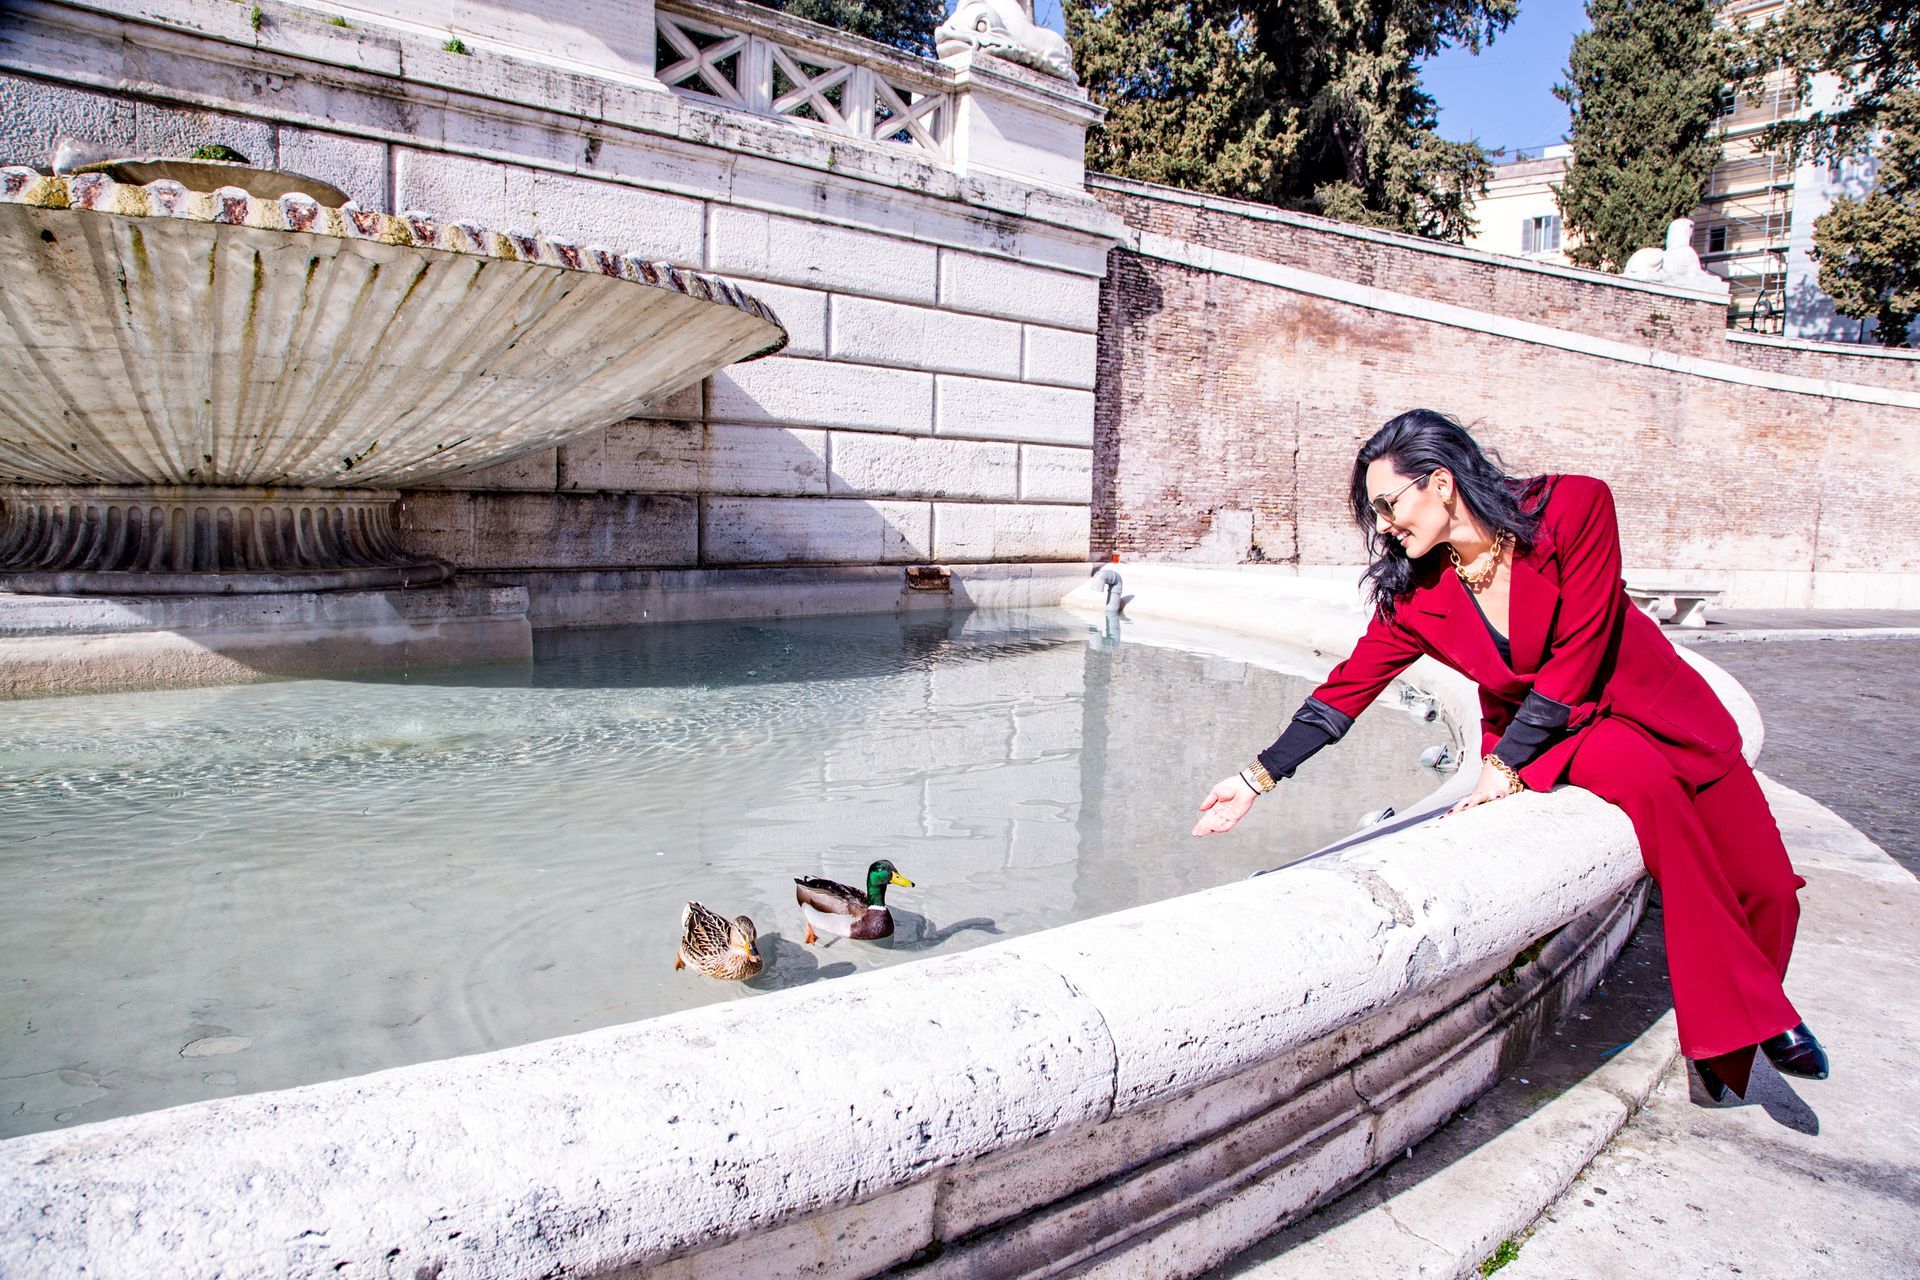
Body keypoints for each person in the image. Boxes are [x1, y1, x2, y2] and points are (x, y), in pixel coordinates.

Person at [1192, 408, 1826, 1102]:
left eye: (1388, 504)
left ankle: (1724, 1043)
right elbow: (1345, 692)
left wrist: (1497, 768)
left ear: (1439, 482)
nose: (1384, 526)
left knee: (1768, 888)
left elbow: (1580, 651)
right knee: (1649, 790)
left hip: (1655, 705)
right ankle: (1760, 1022)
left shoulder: (1575, 507)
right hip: (1558, 736)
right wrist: (1257, 777)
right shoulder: (1416, 596)